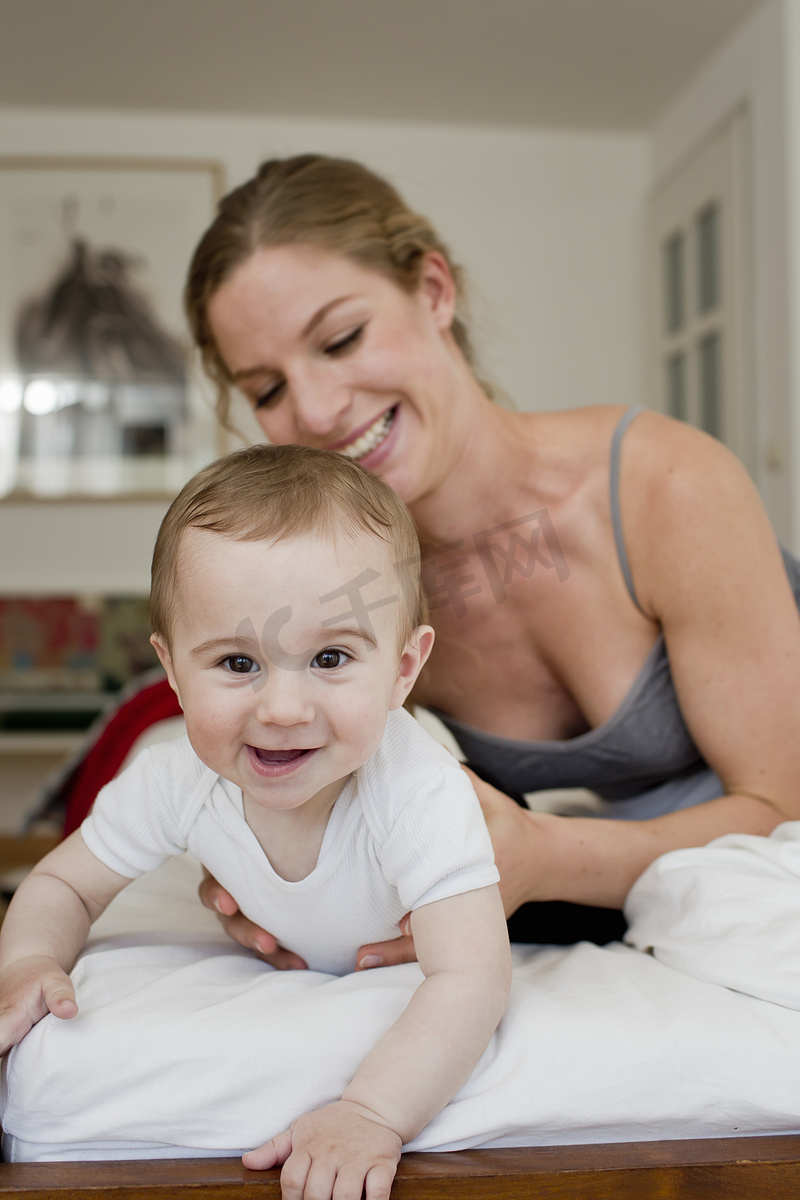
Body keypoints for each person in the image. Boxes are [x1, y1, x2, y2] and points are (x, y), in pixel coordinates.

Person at [184, 152, 800, 963]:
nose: (318, 410)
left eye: (341, 339)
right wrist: (263, 868)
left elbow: (781, 808)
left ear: (434, 290)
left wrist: (544, 857)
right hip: (653, 899)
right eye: (266, 389)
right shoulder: (360, 598)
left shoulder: (664, 486)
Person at [0, 444, 511, 1200]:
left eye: (332, 657)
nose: (281, 710)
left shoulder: (420, 792)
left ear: (403, 669)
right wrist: (27, 960)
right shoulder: (177, 778)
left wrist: (372, 1111)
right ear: (171, 671)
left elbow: (473, 976)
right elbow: (69, 883)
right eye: (237, 664)